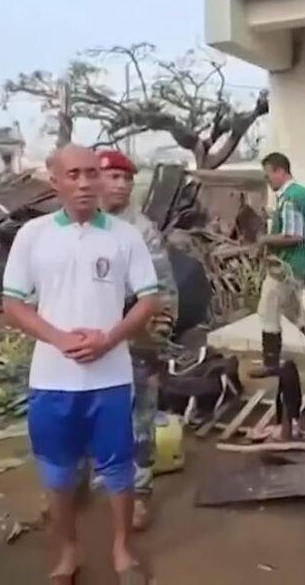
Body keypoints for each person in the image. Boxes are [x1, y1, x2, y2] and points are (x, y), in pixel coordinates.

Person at [2, 145, 160, 584]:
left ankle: (123, 550)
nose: (85, 183)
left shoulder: (125, 236)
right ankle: (68, 553)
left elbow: (150, 298)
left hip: (110, 378)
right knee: (58, 472)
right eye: (74, 174)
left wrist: (109, 338)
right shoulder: (32, 236)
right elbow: (12, 305)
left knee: (118, 470)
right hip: (52, 379)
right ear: (55, 182)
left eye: (92, 173)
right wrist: (59, 338)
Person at [98, 149, 178, 532]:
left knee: (140, 419)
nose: (120, 184)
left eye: (126, 178)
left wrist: (154, 337)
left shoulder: (140, 229)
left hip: (138, 336)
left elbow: (163, 288)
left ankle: (141, 493)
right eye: (112, 177)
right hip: (95, 338)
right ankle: (101, 479)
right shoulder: (83, 225)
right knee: (98, 413)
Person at [250, 152, 305, 379]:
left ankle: (270, 364)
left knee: (267, 308)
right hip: (302, 263)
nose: (268, 181)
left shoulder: (289, 198)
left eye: (269, 175)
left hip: (288, 265)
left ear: (280, 171)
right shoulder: (301, 193)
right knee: (294, 312)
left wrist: (265, 239)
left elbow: (293, 235)